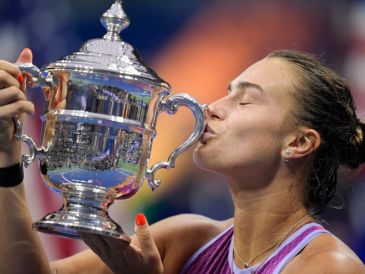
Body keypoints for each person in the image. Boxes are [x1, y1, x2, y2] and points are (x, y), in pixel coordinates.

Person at [0, 48, 364, 274]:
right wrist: (6, 156)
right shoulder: (187, 239)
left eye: (245, 100)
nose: (211, 109)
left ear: (299, 142)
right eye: (226, 93)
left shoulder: (330, 267)